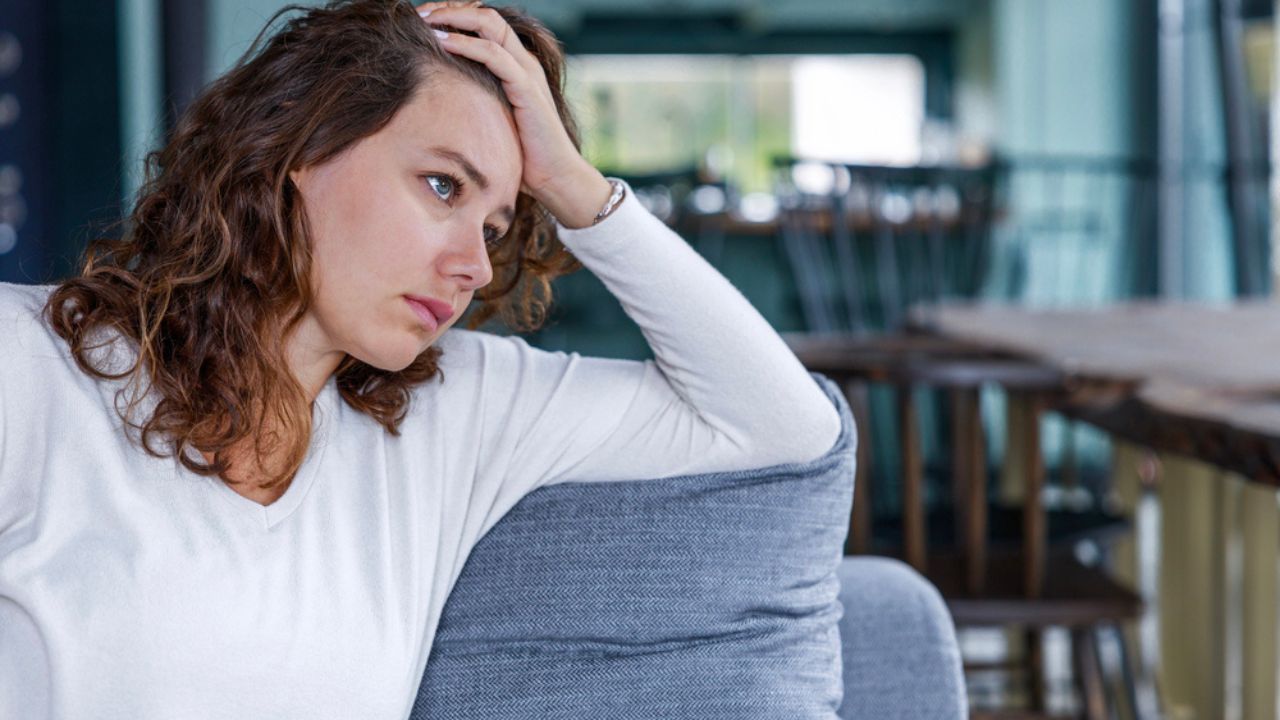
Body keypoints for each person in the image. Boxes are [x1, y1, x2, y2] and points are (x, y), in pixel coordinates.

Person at [0, 1, 842, 718]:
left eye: (495, 226)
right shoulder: (34, 368)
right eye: (443, 186)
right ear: (299, 151)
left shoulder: (458, 409)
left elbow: (784, 423)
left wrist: (580, 189)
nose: (475, 265)